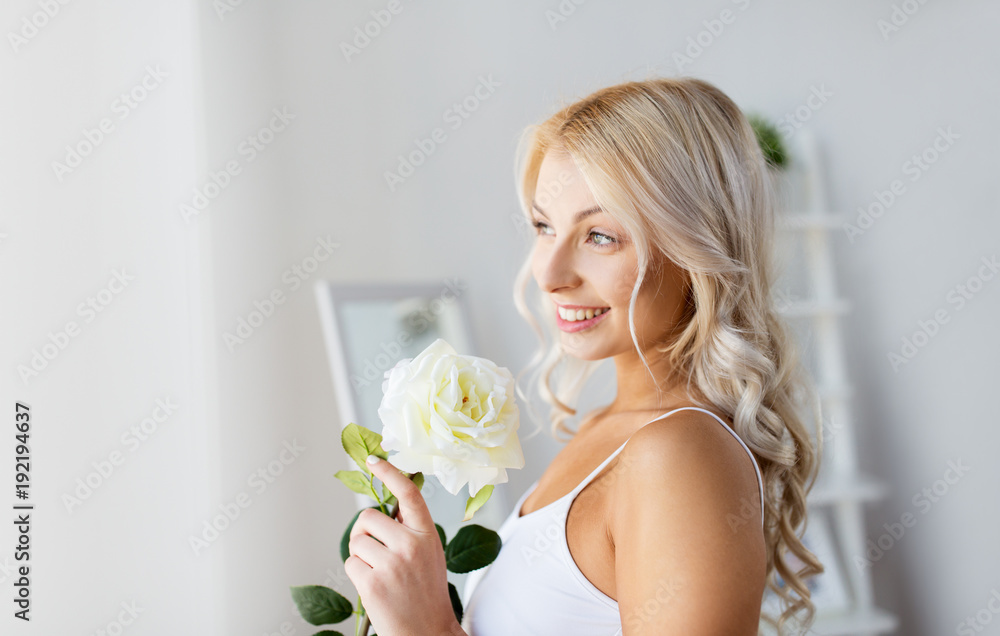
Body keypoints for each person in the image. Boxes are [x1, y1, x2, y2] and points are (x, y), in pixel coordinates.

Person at [347, 76, 824, 636]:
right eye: (545, 226)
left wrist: (429, 629)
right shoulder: (611, 432)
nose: (549, 275)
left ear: (695, 245)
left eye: (600, 235)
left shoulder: (678, 455)